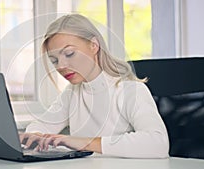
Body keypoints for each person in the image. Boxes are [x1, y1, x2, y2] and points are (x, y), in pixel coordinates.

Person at [20, 14, 169, 158]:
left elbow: (158, 143)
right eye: (54, 60)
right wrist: (37, 136)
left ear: (94, 45)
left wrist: (85, 143)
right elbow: (40, 126)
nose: (61, 66)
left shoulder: (131, 90)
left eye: (69, 53)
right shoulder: (72, 93)